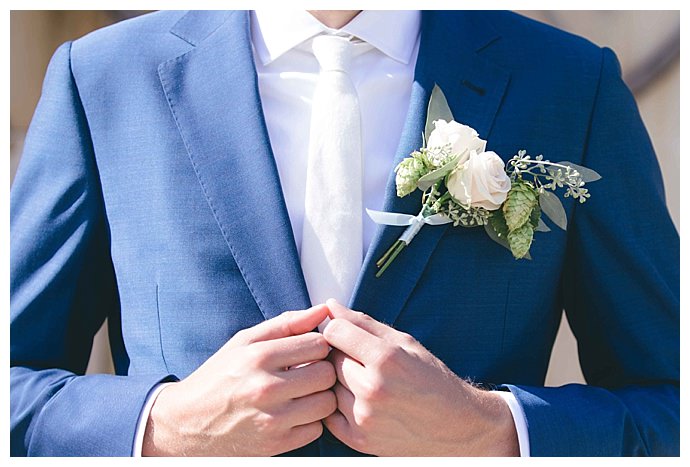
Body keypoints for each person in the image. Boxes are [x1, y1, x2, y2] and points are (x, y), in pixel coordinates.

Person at [10, 10, 679, 457]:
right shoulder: (102, 79)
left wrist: (496, 431)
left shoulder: (569, 82)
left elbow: (672, 403)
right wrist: (161, 426)